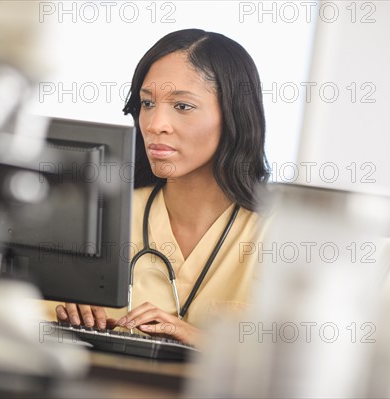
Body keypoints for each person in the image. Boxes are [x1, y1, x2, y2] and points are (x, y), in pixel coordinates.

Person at [55, 29, 269, 346]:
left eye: (182, 106)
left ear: (234, 115)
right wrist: (65, 313)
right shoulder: (99, 216)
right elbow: (17, 314)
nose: (155, 124)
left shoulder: (281, 233)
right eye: (147, 103)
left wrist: (201, 341)